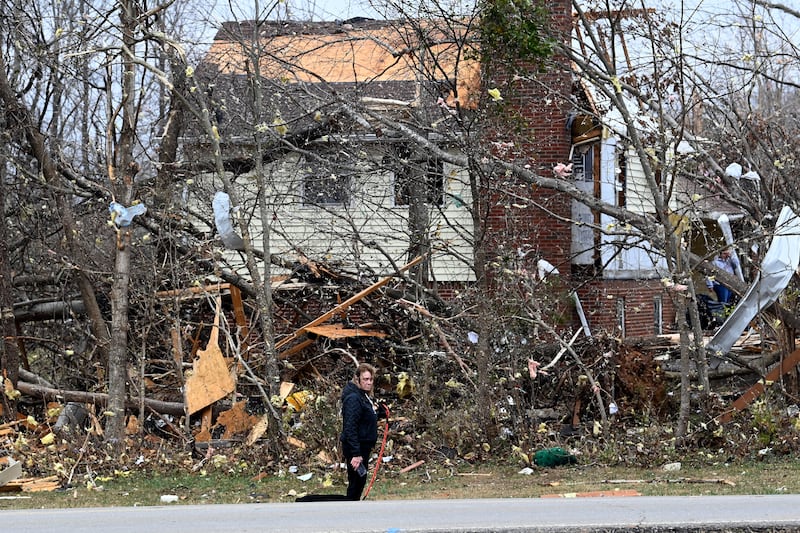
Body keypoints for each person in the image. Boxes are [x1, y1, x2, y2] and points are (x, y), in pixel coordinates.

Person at [340, 362, 386, 501]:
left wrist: (379, 414)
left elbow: (364, 418)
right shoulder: (353, 398)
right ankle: (349, 509)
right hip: (356, 447)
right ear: (357, 379)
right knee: (356, 482)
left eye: (371, 379)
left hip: (363, 446)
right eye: (365, 379)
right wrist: (356, 454)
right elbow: (350, 427)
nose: (369, 382)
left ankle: (353, 506)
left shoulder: (362, 396)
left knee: (359, 481)